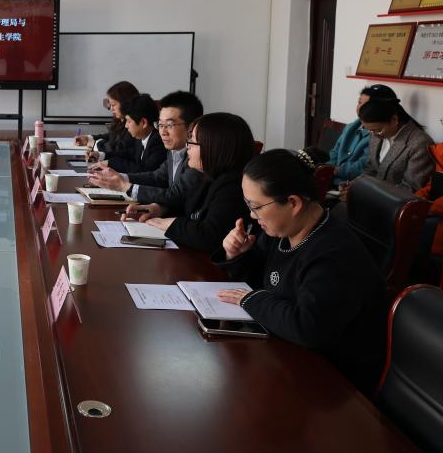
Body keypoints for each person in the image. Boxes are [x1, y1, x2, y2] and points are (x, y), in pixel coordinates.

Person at [215, 150, 386, 395]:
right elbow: (257, 279)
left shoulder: (334, 254)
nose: (252, 215)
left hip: (331, 384)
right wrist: (237, 254)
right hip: (285, 354)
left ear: (293, 203)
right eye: (248, 205)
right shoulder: (283, 229)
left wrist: (250, 300)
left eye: (256, 206)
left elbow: (307, 327)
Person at [126, 112, 254, 256]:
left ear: (214, 147)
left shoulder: (233, 186)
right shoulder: (205, 174)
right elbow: (187, 208)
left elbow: (209, 235)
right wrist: (159, 209)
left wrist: (169, 223)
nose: (187, 146)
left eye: (192, 141)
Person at [89, 90, 205, 204]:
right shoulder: (174, 151)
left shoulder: (197, 159)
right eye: (160, 124)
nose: (163, 132)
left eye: (169, 125)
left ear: (192, 127)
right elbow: (156, 177)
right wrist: (121, 177)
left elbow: (176, 195)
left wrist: (126, 187)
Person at [357, 96, 434, 193]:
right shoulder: (375, 134)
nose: (373, 135)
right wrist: (356, 186)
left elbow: (410, 188)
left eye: (377, 130)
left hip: (394, 200)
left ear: (394, 120)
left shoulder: (420, 143)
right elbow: (370, 168)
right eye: (369, 130)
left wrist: (371, 194)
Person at [328, 84, 397, 186]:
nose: (360, 108)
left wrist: (335, 170)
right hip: (334, 176)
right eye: (359, 102)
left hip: (351, 181)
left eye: (365, 106)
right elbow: (335, 151)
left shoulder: (379, 134)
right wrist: (328, 168)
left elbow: (364, 166)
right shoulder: (351, 127)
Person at [95, 93, 165, 173]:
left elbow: (144, 171)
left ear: (143, 123)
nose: (126, 126)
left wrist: (111, 163)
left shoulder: (158, 142)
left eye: (128, 121)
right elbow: (129, 154)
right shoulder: (141, 137)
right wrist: (102, 155)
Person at [74, 80, 138, 160]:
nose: (111, 109)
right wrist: (89, 139)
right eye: (110, 105)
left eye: (113, 105)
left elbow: (118, 148)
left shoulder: (133, 124)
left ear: (126, 103)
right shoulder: (120, 119)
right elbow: (111, 136)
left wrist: (94, 144)